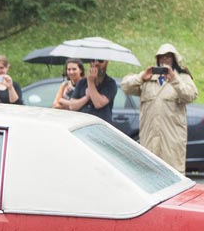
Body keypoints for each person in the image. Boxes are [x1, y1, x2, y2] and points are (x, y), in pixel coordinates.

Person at [121, 43, 198, 172]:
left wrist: (174, 79)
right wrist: (141, 77)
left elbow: (191, 95)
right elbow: (125, 86)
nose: (164, 60)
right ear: (157, 59)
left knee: (173, 176)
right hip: (149, 140)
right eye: (161, 57)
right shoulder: (148, 78)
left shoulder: (182, 78)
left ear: (175, 59)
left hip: (171, 141)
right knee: (149, 175)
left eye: (168, 57)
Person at [68, 59, 117, 124]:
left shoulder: (110, 83)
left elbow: (98, 103)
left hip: (100, 126)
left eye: (100, 60)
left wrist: (90, 82)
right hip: (82, 124)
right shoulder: (82, 82)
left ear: (106, 63)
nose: (96, 63)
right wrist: (86, 98)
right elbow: (72, 106)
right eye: (93, 60)